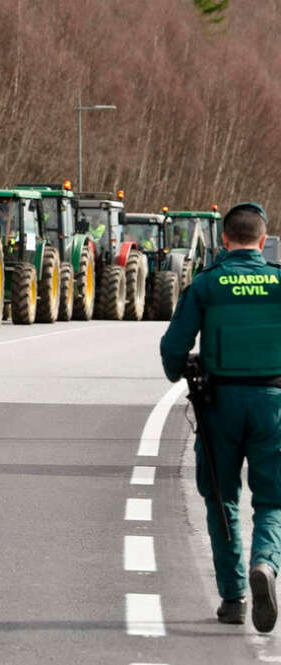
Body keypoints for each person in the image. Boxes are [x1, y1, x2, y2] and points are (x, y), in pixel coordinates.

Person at [160, 202, 281, 631]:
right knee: (272, 499)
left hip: (219, 405)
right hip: (274, 403)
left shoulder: (206, 285)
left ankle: (234, 599)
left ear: (224, 241)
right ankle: (266, 562)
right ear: (263, 243)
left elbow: (173, 348)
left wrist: (180, 370)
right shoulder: (279, 282)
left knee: (221, 497)